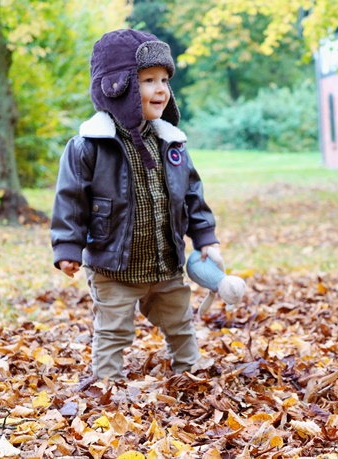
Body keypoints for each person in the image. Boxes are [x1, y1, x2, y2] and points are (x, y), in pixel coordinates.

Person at [50, 29, 220, 382]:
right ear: (119, 85)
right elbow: (70, 200)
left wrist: (205, 237)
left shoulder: (171, 142)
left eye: (164, 80)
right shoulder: (89, 146)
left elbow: (192, 194)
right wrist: (67, 246)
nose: (161, 89)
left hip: (164, 262)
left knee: (180, 323)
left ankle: (190, 375)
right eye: (148, 80)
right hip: (113, 265)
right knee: (113, 331)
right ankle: (107, 387)